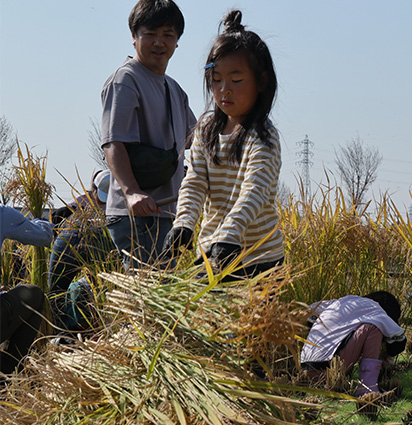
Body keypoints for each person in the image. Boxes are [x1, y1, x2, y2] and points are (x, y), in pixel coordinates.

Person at [163, 10, 283, 278]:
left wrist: (230, 234)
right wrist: (184, 224)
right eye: (217, 80)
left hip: (258, 260)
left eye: (236, 80)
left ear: (261, 81)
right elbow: (194, 182)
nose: (224, 89)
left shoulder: (263, 137)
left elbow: (254, 192)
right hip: (213, 253)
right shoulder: (206, 131)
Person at [101, 0, 196, 269]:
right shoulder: (126, 79)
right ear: (134, 37)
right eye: (150, 34)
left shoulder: (174, 89)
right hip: (137, 214)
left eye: (168, 35)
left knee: (161, 296)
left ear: (177, 42)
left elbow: (196, 140)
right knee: (145, 300)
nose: (159, 42)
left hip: (168, 212)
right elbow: (112, 141)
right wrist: (131, 192)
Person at [301, 291, 406, 396]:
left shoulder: (344, 301)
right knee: (373, 327)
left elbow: (309, 311)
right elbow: (399, 341)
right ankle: (367, 388)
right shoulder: (375, 309)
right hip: (327, 369)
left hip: (306, 369)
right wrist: (388, 353)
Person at [48, 170, 114, 332]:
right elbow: (58, 218)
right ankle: (56, 331)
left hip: (95, 241)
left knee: (100, 287)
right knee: (56, 292)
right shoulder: (79, 203)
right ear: (94, 191)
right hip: (73, 240)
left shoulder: (120, 202)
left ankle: (97, 328)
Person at [0, 206, 54, 376]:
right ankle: (9, 369)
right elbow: (43, 236)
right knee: (33, 293)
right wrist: (48, 223)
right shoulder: (2, 214)